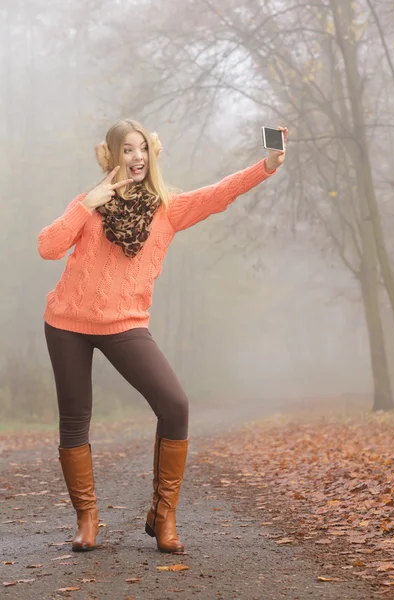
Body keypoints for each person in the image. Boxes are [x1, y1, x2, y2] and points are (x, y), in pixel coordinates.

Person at [38, 118, 288, 554]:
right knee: (75, 417)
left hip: (125, 323)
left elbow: (219, 193)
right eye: (127, 150)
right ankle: (87, 519)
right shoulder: (90, 203)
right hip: (66, 323)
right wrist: (86, 204)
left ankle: (163, 513)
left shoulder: (168, 208)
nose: (136, 158)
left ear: (152, 155)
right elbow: (48, 247)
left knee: (174, 404)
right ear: (113, 156)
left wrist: (265, 165)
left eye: (142, 150)